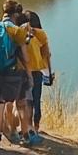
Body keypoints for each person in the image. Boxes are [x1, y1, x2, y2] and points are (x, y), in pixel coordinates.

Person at [0, 0, 37, 151]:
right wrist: (30, 75)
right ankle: (23, 134)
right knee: (20, 102)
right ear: (15, 14)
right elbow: (25, 58)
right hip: (12, 72)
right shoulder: (16, 30)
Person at [23, 9, 53, 143]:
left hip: (22, 72)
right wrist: (48, 75)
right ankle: (35, 129)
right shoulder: (40, 36)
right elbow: (46, 57)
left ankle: (25, 128)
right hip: (37, 73)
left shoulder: (21, 34)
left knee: (25, 101)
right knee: (36, 101)